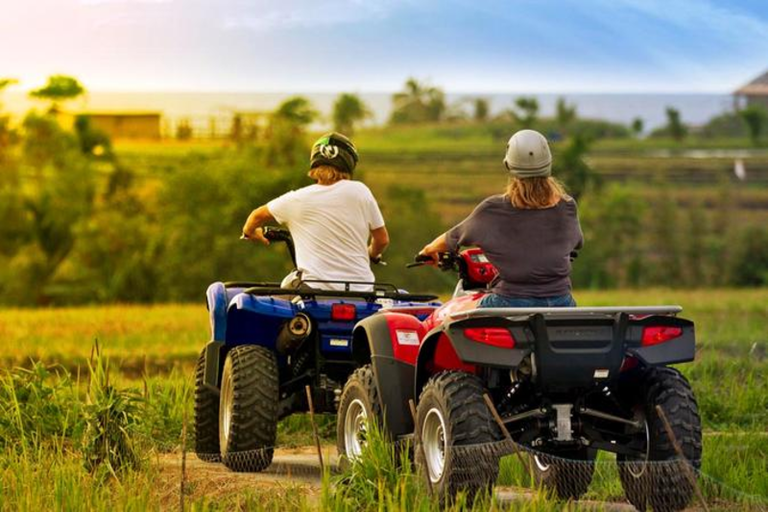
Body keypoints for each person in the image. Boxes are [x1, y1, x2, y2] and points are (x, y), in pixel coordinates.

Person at [419, 129, 583, 308]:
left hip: (510, 301)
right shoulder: (567, 206)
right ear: (549, 163)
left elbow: (454, 237)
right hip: (562, 302)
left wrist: (429, 250)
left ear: (509, 165)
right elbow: (576, 243)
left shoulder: (494, 208)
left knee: (450, 310)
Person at [242, 132, 389, 291]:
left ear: (315, 162)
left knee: (280, 299)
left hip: (315, 291)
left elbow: (256, 216)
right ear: (349, 162)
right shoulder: (361, 191)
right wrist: (372, 254)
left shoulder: (296, 199)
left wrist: (251, 232)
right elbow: (382, 240)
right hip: (362, 290)